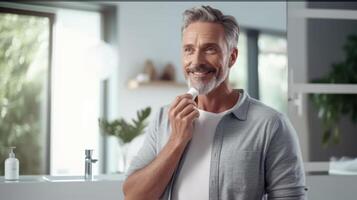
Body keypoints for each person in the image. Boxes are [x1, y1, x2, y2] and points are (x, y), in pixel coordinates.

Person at [123, 5, 307, 200]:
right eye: (189, 50)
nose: (196, 61)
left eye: (210, 49)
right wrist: (177, 140)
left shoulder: (271, 125)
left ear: (232, 57)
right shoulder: (164, 118)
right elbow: (134, 196)